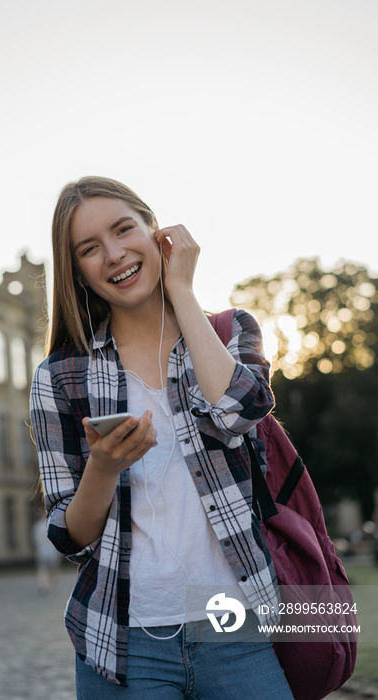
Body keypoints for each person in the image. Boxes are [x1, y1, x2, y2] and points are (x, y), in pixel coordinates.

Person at [30, 176, 294, 699]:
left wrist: (181, 291)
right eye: (89, 248)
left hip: (237, 629)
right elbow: (69, 536)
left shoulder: (228, 330)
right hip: (126, 642)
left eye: (123, 229)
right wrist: (103, 469)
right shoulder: (60, 376)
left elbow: (240, 411)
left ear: (156, 231)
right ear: (77, 270)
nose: (113, 254)